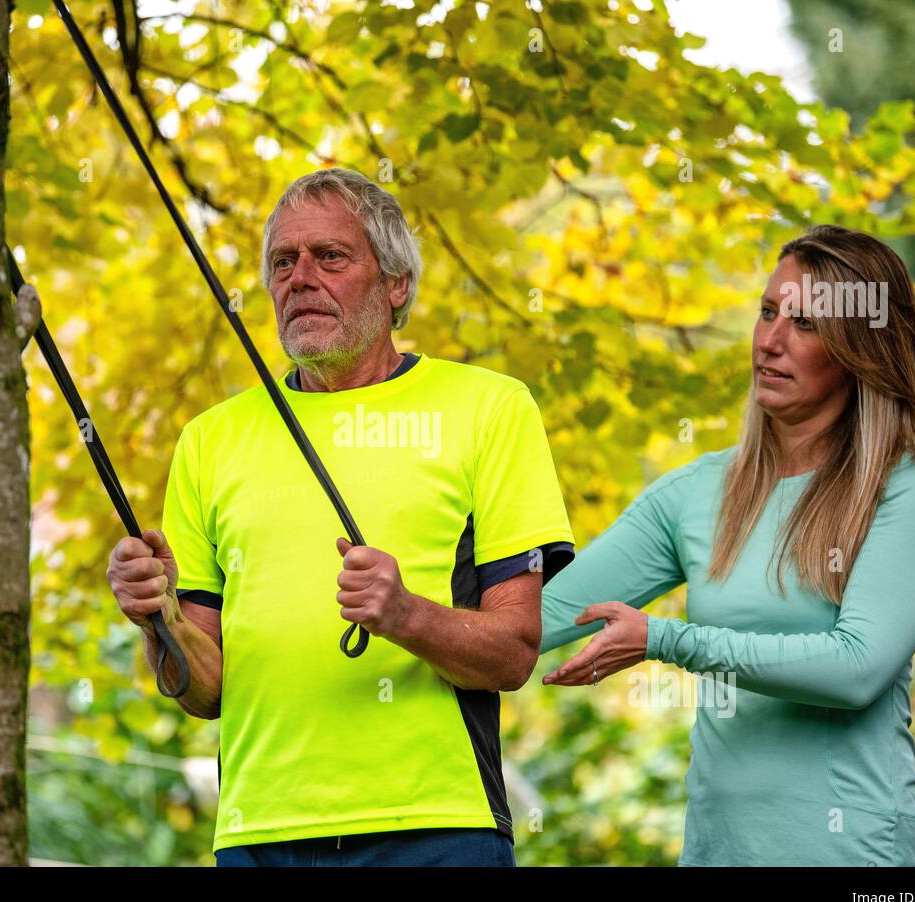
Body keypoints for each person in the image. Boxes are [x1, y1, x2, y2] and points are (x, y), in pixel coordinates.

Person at [106, 168, 575, 866]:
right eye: (282, 263)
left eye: (330, 257)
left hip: (438, 827)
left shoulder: (490, 408)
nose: (300, 278)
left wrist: (405, 615)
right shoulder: (210, 438)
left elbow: (513, 653)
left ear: (396, 285)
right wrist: (159, 619)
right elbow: (203, 692)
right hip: (260, 836)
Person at [540, 225, 915, 866]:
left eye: (806, 324)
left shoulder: (909, 484)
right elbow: (534, 617)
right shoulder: (695, 494)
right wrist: (409, 606)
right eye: (767, 312)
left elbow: (855, 670)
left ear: (860, 348)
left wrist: (665, 639)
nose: (771, 341)